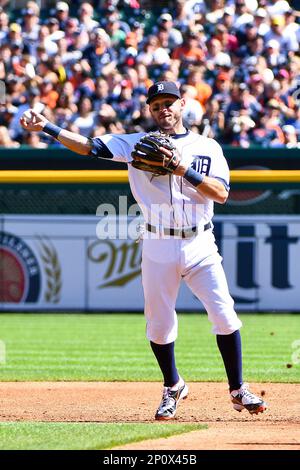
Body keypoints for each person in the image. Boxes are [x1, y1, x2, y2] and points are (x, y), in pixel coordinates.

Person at [20, 80, 267, 420]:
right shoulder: (135, 144)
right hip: (157, 241)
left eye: (169, 102)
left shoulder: (208, 147)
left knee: (224, 313)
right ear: (150, 111)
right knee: (160, 324)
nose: (163, 109)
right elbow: (88, 146)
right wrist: (46, 126)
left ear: (182, 105)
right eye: (156, 105)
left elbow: (220, 194)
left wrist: (183, 169)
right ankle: (172, 386)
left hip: (200, 242)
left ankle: (238, 389)